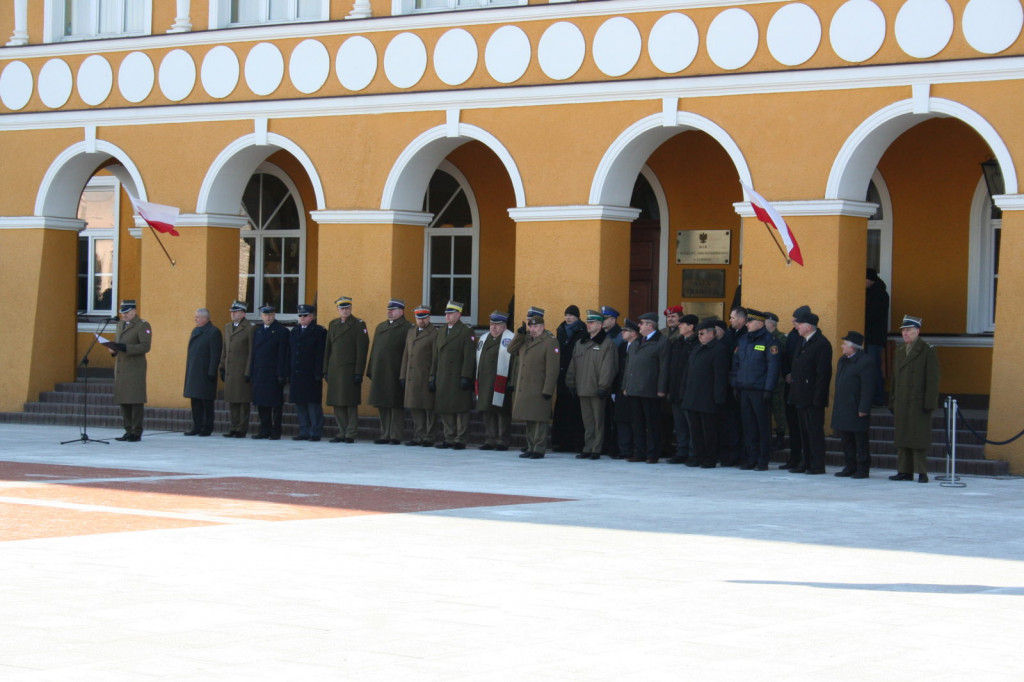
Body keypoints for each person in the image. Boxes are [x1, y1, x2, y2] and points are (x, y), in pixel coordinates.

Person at [889, 315, 940, 483]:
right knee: (903, 436)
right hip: (902, 400)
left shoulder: (927, 350)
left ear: (917, 331)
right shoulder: (901, 350)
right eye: (903, 331)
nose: (905, 334)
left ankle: (921, 472)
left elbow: (932, 379)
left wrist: (930, 402)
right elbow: (895, 378)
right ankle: (904, 470)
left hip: (918, 401)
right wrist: (892, 399)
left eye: (909, 331)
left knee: (918, 438)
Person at [731, 309, 781, 470]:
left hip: (759, 390)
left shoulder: (769, 341)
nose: (747, 324)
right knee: (749, 426)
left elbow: (773, 367)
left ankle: (762, 459)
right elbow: (737, 364)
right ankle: (751, 458)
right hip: (744, 388)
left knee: (762, 426)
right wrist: (736, 384)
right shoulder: (744, 340)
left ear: (759, 323)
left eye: (750, 322)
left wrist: (768, 389)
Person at [566, 310, 618, 460]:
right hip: (583, 387)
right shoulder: (581, 343)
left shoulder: (607, 344)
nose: (588, 325)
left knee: (598, 421)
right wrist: (571, 382)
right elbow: (573, 365)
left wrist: (603, 386)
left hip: (597, 389)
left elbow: (609, 368)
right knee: (587, 421)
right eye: (588, 322)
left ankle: (597, 448)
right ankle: (588, 447)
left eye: (592, 323)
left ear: (600, 325)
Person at [789, 308, 833, 475]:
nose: (796, 327)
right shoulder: (802, 341)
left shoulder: (821, 344)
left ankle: (817, 464)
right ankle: (806, 462)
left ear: (809, 326)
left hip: (813, 398)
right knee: (803, 433)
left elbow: (823, 374)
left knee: (814, 432)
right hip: (800, 396)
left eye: (799, 324)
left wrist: (818, 398)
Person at [510, 313, 560, 459]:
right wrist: (519, 335)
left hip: (539, 387)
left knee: (540, 420)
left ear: (543, 327)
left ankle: (539, 448)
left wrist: (548, 389)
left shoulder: (550, 342)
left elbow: (553, 369)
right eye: (531, 326)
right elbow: (511, 350)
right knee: (529, 418)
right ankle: (531, 446)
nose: (533, 329)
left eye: (536, 326)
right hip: (526, 388)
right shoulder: (525, 340)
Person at [682, 319, 730, 468]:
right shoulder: (697, 348)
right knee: (695, 430)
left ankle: (710, 458)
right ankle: (698, 456)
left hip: (708, 398)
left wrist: (718, 398)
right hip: (692, 396)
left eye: (702, 333)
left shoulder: (719, 349)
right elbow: (687, 372)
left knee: (709, 431)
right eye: (699, 334)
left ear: (711, 333)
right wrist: (684, 391)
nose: (700, 336)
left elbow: (720, 376)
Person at [623, 312, 669, 463]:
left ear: (650, 325)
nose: (639, 326)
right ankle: (639, 452)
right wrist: (625, 385)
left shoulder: (661, 342)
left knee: (652, 423)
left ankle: (652, 453)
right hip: (634, 389)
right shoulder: (637, 342)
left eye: (642, 323)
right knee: (637, 423)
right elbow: (628, 366)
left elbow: (664, 367)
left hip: (650, 389)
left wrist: (661, 388)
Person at [431, 300, 476, 450]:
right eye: (446, 313)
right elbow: (436, 356)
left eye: (451, 313)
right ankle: (448, 437)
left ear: (458, 314)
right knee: (445, 408)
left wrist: (466, 376)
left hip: (457, 375)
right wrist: (433, 376)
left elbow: (469, 356)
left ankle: (460, 438)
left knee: (460, 410)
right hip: (443, 375)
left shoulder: (465, 331)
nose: (447, 316)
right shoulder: (442, 330)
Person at [324, 296, 369, 444]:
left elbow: (362, 350)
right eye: (342, 308)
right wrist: (325, 369)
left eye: (347, 308)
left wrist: (358, 372)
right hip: (335, 369)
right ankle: (341, 431)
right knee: (337, 402)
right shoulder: (333, 324)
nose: (345, 311)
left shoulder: (358, 324)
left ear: (351, 308)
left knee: (350, 403)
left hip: (349, 369)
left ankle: (351, 432)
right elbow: (328, 349)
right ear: (338, 309)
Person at [831, 331, 875, 479]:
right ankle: (850, 466)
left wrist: (863, 408)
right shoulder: (843, 360)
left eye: (845, 344)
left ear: (853, 347)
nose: (842, 346)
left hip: (856, 407)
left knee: (860, 440)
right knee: (846, 439)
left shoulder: (865, 361)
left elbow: (867, 387)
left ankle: (863, 468)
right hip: (844, 406)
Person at [368, 298, 411, 445]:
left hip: (395, 370)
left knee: (395, 404)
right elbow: (375, 349)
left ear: (401, 311)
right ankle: (384, 433)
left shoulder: (407, 327)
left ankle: (395, 435)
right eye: (388, 310)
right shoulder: (381, 327)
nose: (390, 312)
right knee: (382, 403)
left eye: (393, 310)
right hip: (380, 370)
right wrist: (370, 368)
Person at [110, 299, 151, 442]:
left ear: (134, 311)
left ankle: (136, 431)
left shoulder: (142, 325)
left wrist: (125, 348)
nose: (124, 315)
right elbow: (118, 343)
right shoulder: (120, 324)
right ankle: (127, 430)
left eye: (127, 312)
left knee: (135, 400)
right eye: (122, 313)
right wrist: (113, 350)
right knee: (123, 400)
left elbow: (145, 346)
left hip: (135, 368)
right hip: (122, 367)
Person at [249, 304, 289, 440]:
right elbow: (254, 354)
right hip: (260, 372)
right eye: (265, 315)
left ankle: (276, 430)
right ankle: (264, 429)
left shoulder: (281, 331)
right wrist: (251, 372)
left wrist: (281, 374)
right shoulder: (258, 331)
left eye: (270, 315)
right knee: (261, 404)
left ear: (274, 315)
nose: (268, 317)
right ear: (261, 316)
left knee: (275, 404)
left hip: (273, 373)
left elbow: (283, 354)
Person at [476, 310, 515, 451]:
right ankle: (490, 439)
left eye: (497, 325)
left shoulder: (510, 339)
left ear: (504, 326)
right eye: (492, 324)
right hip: (485, 382)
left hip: (501, 381)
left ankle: (502, 440)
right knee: (488, 411)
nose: (494, 327)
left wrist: (512, 382)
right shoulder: (484, 339)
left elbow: (514, 363)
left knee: (501, 412)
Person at [400, 305, 438, 447]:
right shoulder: (411, 332)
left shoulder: (434, 333)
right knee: (415, 407)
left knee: (428, 408)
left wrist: (433, 376)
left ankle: (429, 436)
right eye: (418, 318)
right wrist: (402, 375)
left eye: (423, 318)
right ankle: (418, 435)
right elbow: (406, 355)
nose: (421, 321)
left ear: (428, 317)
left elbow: (435, 357)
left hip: (425, 375)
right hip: (412, 376)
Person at [289, 304, 326, 441]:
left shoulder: (319, 332)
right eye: (300, 316)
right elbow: (291, 354)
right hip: (297, 373)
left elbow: (320, 354)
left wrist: (319, 372)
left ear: (312, 316)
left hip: (311, 374)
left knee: (313, 404)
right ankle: (304, 430)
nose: (302, 318)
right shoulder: (294, 332)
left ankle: (315, 431)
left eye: (305, 315)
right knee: (300, 404)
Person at [183, 307, 222, 437]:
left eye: (198, 317)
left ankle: (207, 427)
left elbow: (215, 354)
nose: (195, 319)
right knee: (195, 401)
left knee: (206, 402)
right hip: (194, 371)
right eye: (196, 317)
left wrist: (212, 371)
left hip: (205, 373)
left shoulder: (213, 332)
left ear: (206, 319)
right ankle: (197, 426)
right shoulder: (196, 331)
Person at [552, 305, 586, 453]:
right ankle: (561, 442)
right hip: (561, 375)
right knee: (562, 411)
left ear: (577, 317)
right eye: (566, 314)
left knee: (575, 411)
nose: (568, 317)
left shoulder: (582, 331)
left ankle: (576, 442)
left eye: (571, 315)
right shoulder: (560, 330)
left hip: (576, 375)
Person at [666, 313, 699, 464]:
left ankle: (693, 453)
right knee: (679, 425)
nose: (679, 326)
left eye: (682, 324)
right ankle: (682, 451)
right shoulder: (678, 342)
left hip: (689, 391)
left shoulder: (696, 344)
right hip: (675, 389)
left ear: (691, 327)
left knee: (691, 425)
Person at [780, 306, 808, 469]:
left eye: (796, 321)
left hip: (801, 388)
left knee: (802, 425)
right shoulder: (792, 335)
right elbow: (785, 357)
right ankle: (794, 457)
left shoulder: (807, 338)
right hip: (790, 385)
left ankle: (804, 458)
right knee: (792, 424)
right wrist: (787, 373)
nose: (794, 324)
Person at [219, 300, 253, 438]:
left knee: (243, 401)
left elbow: (251, 352)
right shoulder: (227, 327)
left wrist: (248, 371)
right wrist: (222, 366)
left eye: (236, 312)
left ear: (243, 313)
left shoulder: (249, 328)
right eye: (232, 312)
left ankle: (241, 428)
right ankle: (233, 427)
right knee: (232, 400)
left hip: (242, 369)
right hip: (230, 370)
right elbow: (225, 349)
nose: (233, 314)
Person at [865, 268, 890, 406]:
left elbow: (872, 316)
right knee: (870, 368)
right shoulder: (872, 293)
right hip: (870, 338)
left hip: (873, 338)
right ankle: (873, 397)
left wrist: (859, 321)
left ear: (870, 280)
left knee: (873, 368)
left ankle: (878, 398)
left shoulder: (880, 295)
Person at [600, 304, 623, 456]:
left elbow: (619, 362)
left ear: (613, 320)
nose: (603, 321)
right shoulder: (601, 334)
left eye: (605, 318)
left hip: (615, 381)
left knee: (615, 418)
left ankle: (615, 447)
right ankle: (605, 445)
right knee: (603, 417)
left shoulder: (620, 336)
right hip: (602, 381)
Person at [764, 312, 788, 449]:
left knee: (778, 409)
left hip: (777, 380)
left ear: (771, 323)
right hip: (764, 379)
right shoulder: (763, 338)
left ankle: (780, 435)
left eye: (765, 322)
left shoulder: (781, 338)